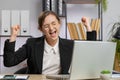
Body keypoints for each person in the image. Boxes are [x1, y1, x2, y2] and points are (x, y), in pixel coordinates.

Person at [3, 11, 96, 74]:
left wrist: (88, 27)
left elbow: (90, 52)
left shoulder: (69, 45)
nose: (51, 28)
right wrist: (13, 36)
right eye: (46, 26)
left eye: (54, 23)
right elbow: (9, 62)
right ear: (41, 29)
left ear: (59, 24)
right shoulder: (32, 44)